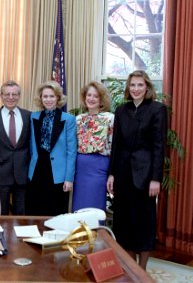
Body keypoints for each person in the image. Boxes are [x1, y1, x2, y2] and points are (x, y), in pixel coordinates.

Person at [107, 70, 167, 270]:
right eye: (132, 85)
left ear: (147, 87)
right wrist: (112, 174)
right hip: (123, 175)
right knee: (124, 223)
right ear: (128, 88)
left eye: (140, 85)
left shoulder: (157, 109)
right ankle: (130, 267)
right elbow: (116, 145)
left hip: (145, 176)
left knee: (144, 224)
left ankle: (142, 270)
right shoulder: (121, 111)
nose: (136, 89)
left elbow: (159, 146)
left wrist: (156, 178)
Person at [27, 81, 77, 216]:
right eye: (45, 96)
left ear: (58, 98)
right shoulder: (33, 117)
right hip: (36, 171)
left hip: (58, 174)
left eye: (52, 96)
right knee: (35, 211)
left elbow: (71, 152)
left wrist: (69, 178)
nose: (48, 100)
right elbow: (30, 147)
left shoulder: (69, 119)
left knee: (56, 214)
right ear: (41, 98)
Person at [0, 80, 31, 215]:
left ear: (19, 96)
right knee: (0, 212)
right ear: (1, 96)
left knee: (21, 213)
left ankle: (20, 236)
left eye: (14, 94)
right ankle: (1, 236)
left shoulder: (29, 116)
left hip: (23, 173)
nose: (11, 97)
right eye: (7, 94)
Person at [72, 81, 114, 212]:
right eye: (89, 95)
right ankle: (79, 233)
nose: (91, 98)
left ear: (101, 99)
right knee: (79, 205)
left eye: (95, 96)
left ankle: (96, 233)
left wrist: (112, 173)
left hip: (99, 167)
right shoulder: (78, 119)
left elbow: (113, 146)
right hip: (80, 167)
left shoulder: (110, 118)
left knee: (94, 205)